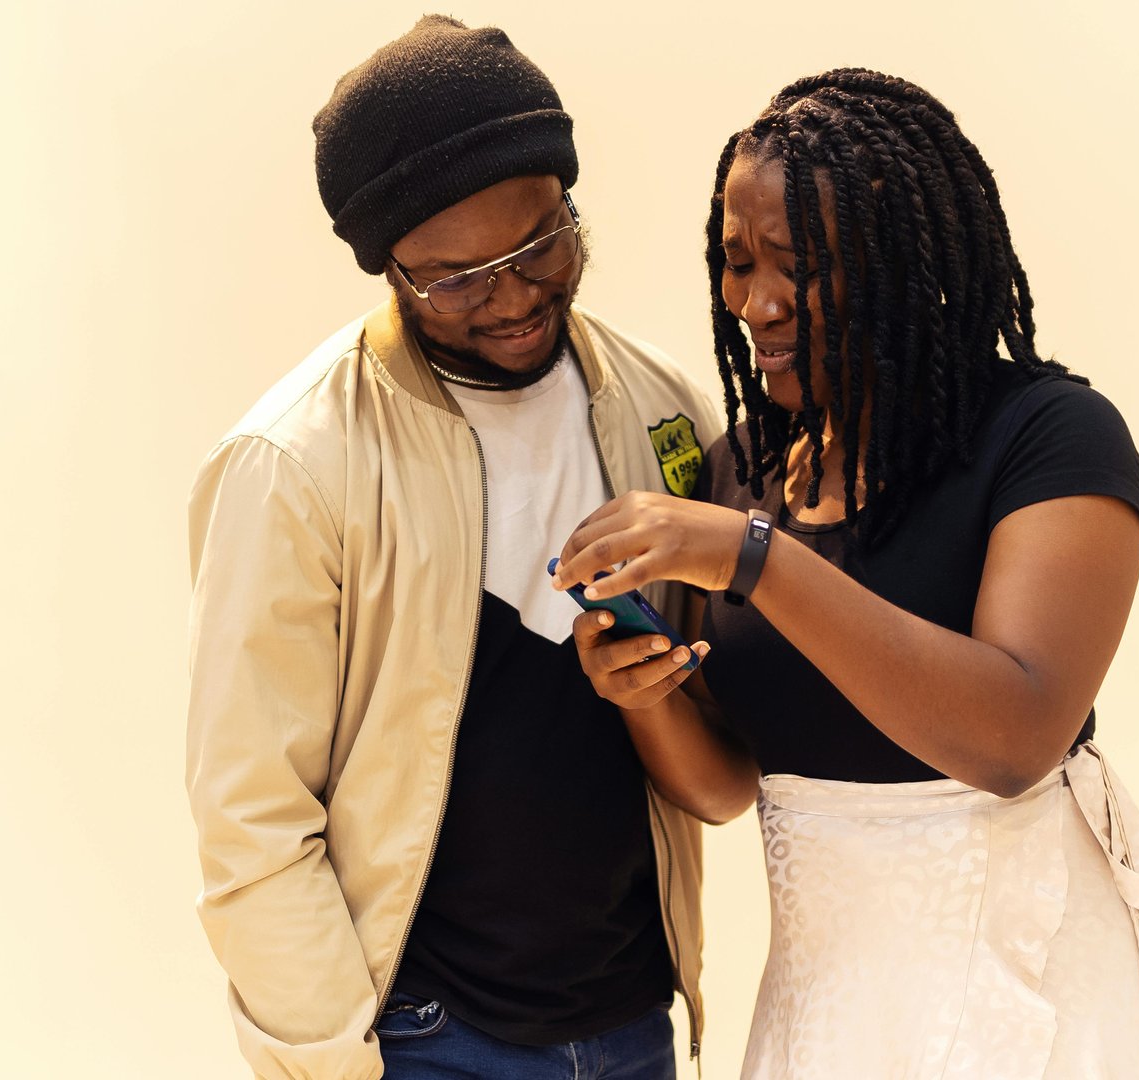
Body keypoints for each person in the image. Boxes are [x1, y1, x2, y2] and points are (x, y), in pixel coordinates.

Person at [554, 69, 1139, 1078]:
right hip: (829, 1009)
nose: (756, 302)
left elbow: (1014, 738)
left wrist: (753, 558)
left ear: (899, 257)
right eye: (735, 263)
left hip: (1027, 987)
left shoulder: (1048, 438)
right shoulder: (742, 473)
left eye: (798, 266)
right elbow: (727, 785)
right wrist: (640, 694)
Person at [185, 16, 719, 1080]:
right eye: (458, 278)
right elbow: (251, 817)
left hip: (633, 1024)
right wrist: (336, 1060)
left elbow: (717, 719)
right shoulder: (293, 464)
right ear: (388, 267)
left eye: (540, 246)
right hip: (425, 1043)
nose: (513, 298)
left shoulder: (661, 406)